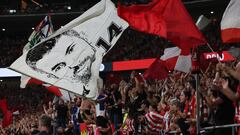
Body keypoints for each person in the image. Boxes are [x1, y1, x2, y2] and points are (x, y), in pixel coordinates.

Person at [26, 29, 97, 97]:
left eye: (71, 50)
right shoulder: (87, 92)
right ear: (54, 77)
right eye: (59, 67)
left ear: (82, 36)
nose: (72, 64)